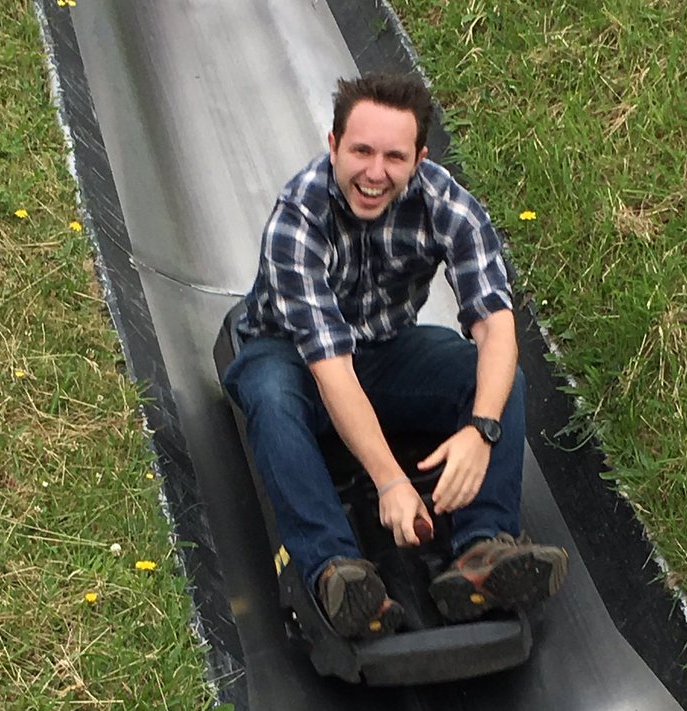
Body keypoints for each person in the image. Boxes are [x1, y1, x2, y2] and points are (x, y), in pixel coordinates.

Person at [224, 73, 568, 638]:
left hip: (385, 353)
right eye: (360, 150)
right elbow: (331, 370)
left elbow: (497, 328)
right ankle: (335, 571)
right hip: (295, 361)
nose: (375, 173)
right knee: (269, 394)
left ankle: (483, 550)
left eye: (393, 156)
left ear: (419, 159)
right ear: (333, 145)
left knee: (492, 377)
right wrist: (390, 482)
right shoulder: (298, 218)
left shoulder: (447, 205)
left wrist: (482, 430)